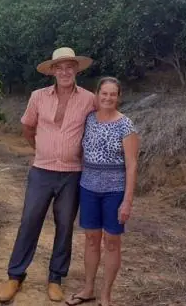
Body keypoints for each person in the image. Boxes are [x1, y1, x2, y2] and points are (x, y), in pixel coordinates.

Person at [0, 47, 97, 303]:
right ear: (52, 71)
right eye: (59, 67)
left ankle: (55, 279)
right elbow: (28, 127)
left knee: (64, 226)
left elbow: (97, 127)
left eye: (69, 67)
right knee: (29, 220)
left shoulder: (88, 99)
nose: (64, 72)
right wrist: (41, 148)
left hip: (72, 174)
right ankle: (15, 276)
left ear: (76, 70)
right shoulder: (38, 97)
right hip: (41, 171)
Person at [65, 76, 140, 306]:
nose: (108, 98)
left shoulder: (125, 125)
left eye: (112, 94)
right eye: (104, 93)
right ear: (97, 95)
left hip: (114, 192)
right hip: (88, 189)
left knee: (112, 242)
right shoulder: (89, 119)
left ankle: (106, 295)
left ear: (119, 97)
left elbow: (132, 164)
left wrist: (127, 201)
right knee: (90, 240)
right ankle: (88, 289)